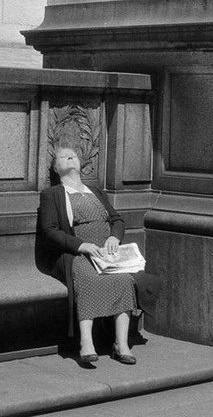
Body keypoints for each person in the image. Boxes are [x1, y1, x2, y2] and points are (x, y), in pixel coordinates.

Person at [37, 146, 139, 365]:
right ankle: (86, 342)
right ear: (57, 168)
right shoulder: (52, 194)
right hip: (77, 253)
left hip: (106, 252)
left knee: (124, 280)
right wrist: (82, 245)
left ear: (80, 163)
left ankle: (121, 344)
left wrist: (114, 238)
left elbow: (117, 219)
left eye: (73, 154)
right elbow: (50, 230)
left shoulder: (95, 191)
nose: (70, 157)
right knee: (87, 278)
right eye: (63, 157)